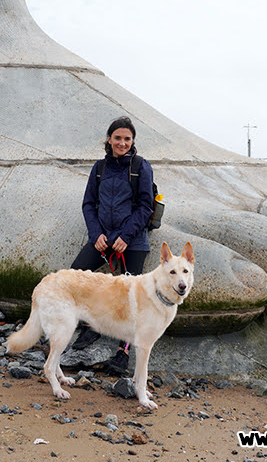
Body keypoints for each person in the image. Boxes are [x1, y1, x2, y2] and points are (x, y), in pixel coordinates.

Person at [70, 116, 154, 375]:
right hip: (103, 239)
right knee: (77, 276)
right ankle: (89, 327)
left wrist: (126, 237)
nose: (122, 143)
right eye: (117, 138)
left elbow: (145, 206)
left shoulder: (141, 166)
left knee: (132, 296)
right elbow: (88, 204)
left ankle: (123, 351)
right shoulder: (99, 168)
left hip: (132, 240)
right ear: (109, 139)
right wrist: (96, 234)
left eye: (127, 138)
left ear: (133, 141)